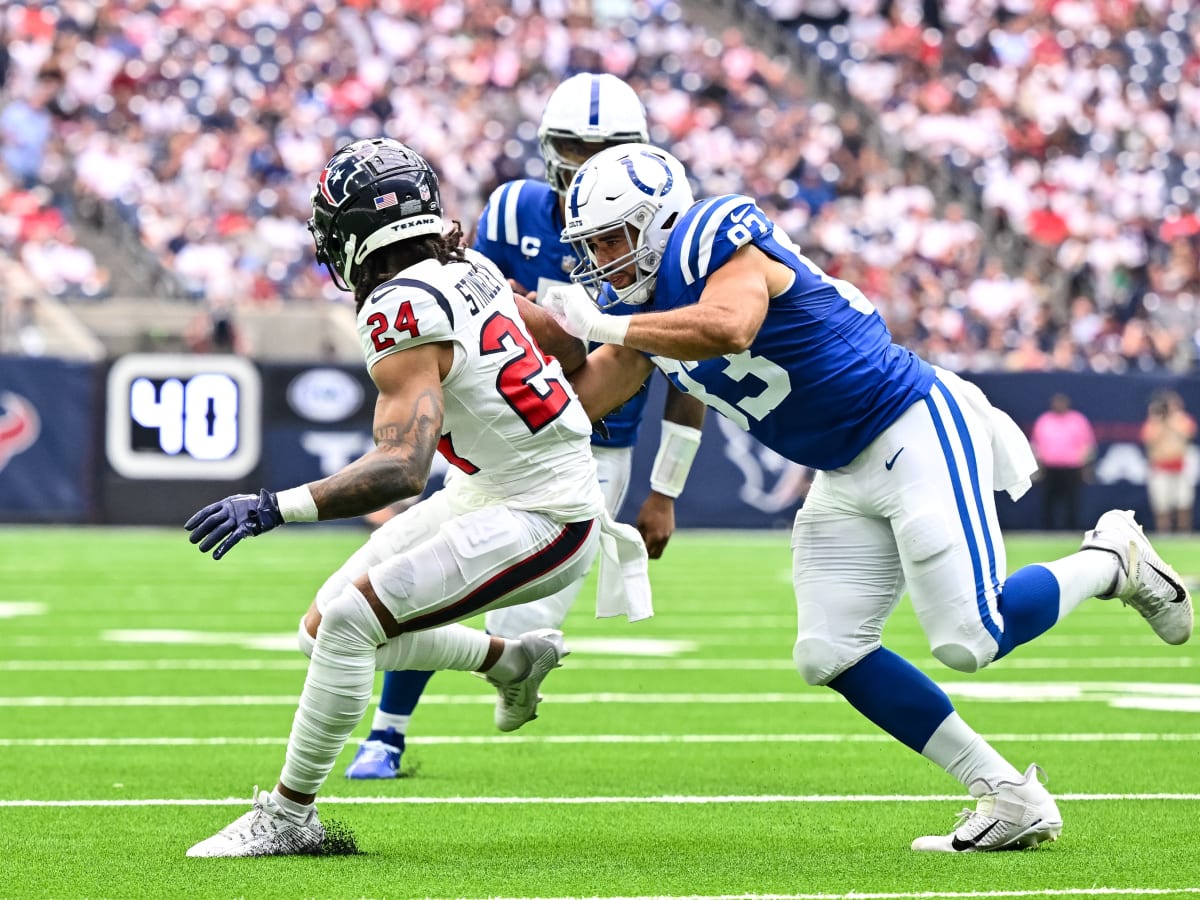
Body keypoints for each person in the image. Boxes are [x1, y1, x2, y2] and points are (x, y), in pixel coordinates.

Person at [536, 143, 1194, 852]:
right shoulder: (634, 314)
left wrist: (600, 325)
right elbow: (578, 400)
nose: (601, 257)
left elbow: (730, 326)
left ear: (661, 221)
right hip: (842, 469)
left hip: (909, 423)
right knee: (829, 651)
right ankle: (1007, 794)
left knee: (970, 638)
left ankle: (1113, 559)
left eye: (613, 237)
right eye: (592, 243)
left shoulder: (713, 234)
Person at [182, 138, 649, 858]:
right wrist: (553, 414)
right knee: (320, 630)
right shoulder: (470, 268)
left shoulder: (400, 309)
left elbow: (402, 467)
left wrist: (273, 507)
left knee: (346, 624)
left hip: (545, 513)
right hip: (499, 487)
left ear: (359, 233)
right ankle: (508, 661)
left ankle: (289, 815)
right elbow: (560, 340)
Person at [344, 73, 706, 780]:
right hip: (502, 433)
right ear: (547, 148)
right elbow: (454, 317)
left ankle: (508, 666)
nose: (584, 160)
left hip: (596, 445)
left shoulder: (662, 222)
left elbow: (679, 361)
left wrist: (665, 489)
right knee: (419, 579)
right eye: (572, 145)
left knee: (508, 622)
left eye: (606, 147)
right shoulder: (513, 212)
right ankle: (386, 732)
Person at [1029, 392, 1095, 531]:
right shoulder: (1044, 420)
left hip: (1072, 467)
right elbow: (1036, 445)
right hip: (1050, 467)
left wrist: (1083, 463)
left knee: (1072, 500)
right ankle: (1048, 529)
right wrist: (1038, 465)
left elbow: (1087, 445)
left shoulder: (1077, 420)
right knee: (1049, 500)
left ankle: (1071, 528)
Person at [1141, 389, 1198, 533]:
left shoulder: (1182, 420)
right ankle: (1163, 533)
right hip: (1160, 468)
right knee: (1161, 505)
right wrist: (1159, 420)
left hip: (1180, 467)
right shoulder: (1154, 422)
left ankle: (1183, 533)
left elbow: (1188, 434)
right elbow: (1148, 439)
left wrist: (1172, 419)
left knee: (1183, 503)